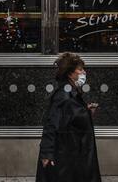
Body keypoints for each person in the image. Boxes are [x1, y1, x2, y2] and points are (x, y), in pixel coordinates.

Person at [35, 52, 101, 182]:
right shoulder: (63, 96)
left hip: (74, 154)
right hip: (66, 156)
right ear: (71, 73)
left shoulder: (71, 93)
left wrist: (85, 111)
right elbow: (52, 123)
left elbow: (71, 116)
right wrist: (47, 153)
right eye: (80, 69)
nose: (84, 73)